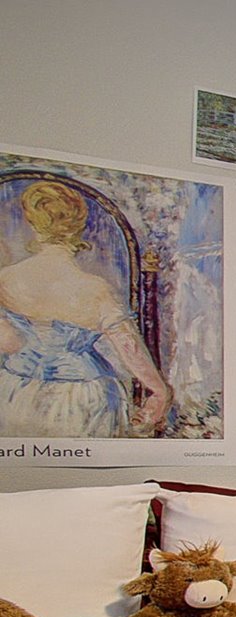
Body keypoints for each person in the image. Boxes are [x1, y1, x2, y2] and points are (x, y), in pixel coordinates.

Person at [0, 179, 172, 438]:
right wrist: (159, 392)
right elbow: (130, 349)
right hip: (83, 397)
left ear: (33, 224)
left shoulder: (6, 279)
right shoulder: (95, 290)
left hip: (14, 391)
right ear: (78, 227)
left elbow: (9, 343)